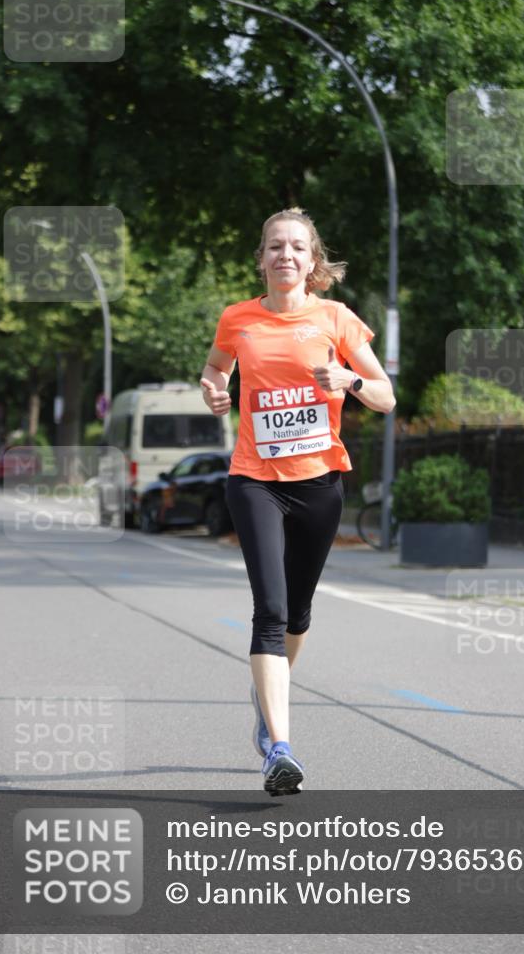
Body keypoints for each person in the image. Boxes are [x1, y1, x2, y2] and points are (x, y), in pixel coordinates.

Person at [200, 207, 395, 796]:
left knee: (298, 614)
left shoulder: (336, 318)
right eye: (275, 246)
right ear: (261, 259)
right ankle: (279, 749)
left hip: (319, 484)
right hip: (254, 479)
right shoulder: (238, 318)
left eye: (297, 248)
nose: (285, 255)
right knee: (270, 609)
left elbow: (385, 396)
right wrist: (214, 390)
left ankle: (267, 703)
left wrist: (349, 381)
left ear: (313, 263)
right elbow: (216, 369)